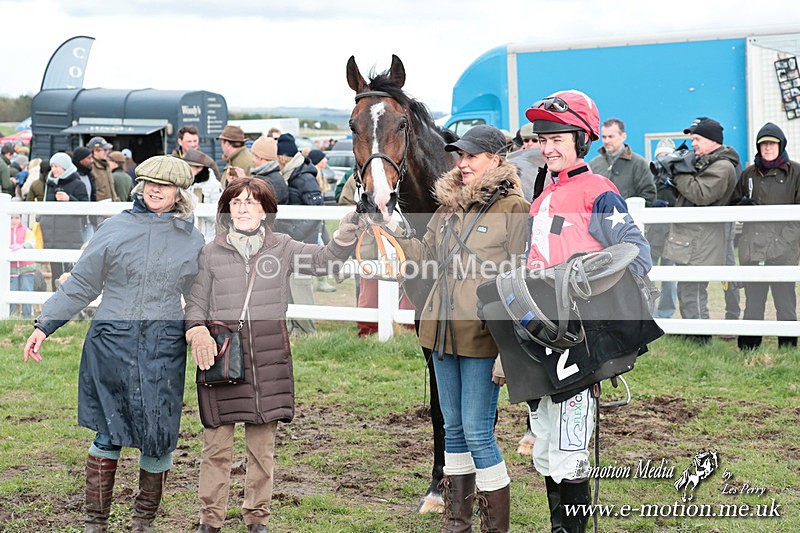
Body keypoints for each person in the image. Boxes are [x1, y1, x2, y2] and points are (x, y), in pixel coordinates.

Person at [22, 155, 205, 532]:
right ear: (139, 185)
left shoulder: (192, 239)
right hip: (112, 343)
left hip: (163, 347)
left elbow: (202, 294)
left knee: (158, 436)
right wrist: (45, 325)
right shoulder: (114, 229)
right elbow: (82, 284)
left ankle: (143, 523)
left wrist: (204, 328)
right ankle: (96, 523)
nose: (155, 190)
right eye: (150, 183)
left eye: (165, 185)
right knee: (108, 430)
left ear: (179, 192)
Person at [184, 177, 361, 533]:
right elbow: (197, 302)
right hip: (222, 358)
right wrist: (196, 329)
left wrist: (346, 232)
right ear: (227, 211)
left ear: (265, 211)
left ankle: (257, 518)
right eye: (237, 203)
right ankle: (210, 519)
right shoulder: (210, 252)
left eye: (251, 202)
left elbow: (325, 260)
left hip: (268, 361)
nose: (244, 209)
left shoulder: (283, 247)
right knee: (215, 447)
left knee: (261, 450)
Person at [524, 90, 654, 532]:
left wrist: (583, 277)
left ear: (582, 139)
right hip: (541, 337)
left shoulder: (600, 191)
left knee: (570, 449)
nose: (548, 148)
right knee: (544, 444)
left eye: (558, 137)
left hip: (581, 340)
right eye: (543, 139)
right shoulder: (540, 200)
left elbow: (635, 253)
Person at [391, 125, 529, 532]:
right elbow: (425, 255)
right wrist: (392, 236)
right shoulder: (447, 206)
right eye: (459, 156)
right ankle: (457, 522)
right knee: (452, 429)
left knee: (478, 432)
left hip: (484, 339)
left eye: (471, 156)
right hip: (439, 333)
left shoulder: (513, 209)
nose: (462, 163)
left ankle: (495, 527)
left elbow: (521, 280)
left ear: (496, 159)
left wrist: (511, 347)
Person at [662, 117, 738, 343]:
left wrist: (678, 173)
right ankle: (693, 334)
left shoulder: (722, 166)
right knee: (688, 289)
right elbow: (689, 194)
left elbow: (701, 194)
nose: (692, 144)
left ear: (712, 140)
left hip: (702, 239)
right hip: (693, 237)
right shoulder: (706, 162)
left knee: (693, 290)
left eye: (697, 139)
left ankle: (699, 338)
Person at [730, 122, 800, 350]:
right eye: (763, 144)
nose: (767, 148)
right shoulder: (749, 174)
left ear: (781, 145)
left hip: (784, 251)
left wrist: (782, 242)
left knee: (785, 303)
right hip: (753, 248)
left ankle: (788, 350)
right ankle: (748, 349)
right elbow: (733, 203)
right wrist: (740, 205)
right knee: (753, 303)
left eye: (772, 143)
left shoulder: (796, 173)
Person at [272, 133, 324, 335]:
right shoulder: (292, 174)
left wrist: (294, 235)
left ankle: (307, 330)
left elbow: (315, 212)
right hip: (293, 240)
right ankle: (295, 327)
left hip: (303, 242)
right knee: (290, 285)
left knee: (301, 285)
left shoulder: (304, 177)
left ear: (282, 157)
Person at [39, 152, 89, 283]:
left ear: (65, 167)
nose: (53, 170)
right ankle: (55, 299)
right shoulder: (49, 184)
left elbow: (86, 209)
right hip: (51, 234)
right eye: (52, 166)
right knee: (55, 272)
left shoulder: (78, 185)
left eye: (57, 166)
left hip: (69, 235)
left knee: (70, 270)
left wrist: (69, 199)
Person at [588, 118, 657, 206]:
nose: (606, 141)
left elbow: (649, 195)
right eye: (604, 137)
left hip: (630, 218)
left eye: (611, 136)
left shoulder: (638, 164)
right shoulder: (594, 164)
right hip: (599, 218)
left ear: (623, 136)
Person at [647, 139, 679, 319]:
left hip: (673, 236)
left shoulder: (679, 178)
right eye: (660, 157)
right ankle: (649, 313)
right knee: (648, 276)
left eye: (666, 157)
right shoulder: (651, 177)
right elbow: (644, 197)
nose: (663, 161)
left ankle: (666, 314)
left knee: (669, 280)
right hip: (652, 235)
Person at [185, 149, 224, 243]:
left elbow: (219, 215)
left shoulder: (214, 186)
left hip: (208, 237)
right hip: (190, 235)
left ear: (199, 168)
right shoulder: (189, 183)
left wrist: (200, 210)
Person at [9, 213, 37, 317]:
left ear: (20, 218)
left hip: (26, 267)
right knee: (11, 293)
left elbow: (32, 242)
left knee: (27, 291)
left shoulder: (26, 231)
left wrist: (22, 246)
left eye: (16, 218)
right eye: (11, 218)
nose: (14, 220)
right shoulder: (4, 231)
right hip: (11, 269)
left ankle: (26, 317)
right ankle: (11, 317)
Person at [247, 136, 288, 204]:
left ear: (260, 157)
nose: (252, 159)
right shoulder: (275, 176)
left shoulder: (266, 182)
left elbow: (254, 205)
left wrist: (243, 184)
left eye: (253, 155)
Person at [88, 136, 119, 202]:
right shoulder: (90, 166)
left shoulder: (106, 164)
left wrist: (116, 200)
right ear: (95, 151)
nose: (107, 152)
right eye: (104, 150)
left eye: (108, 150)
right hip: (99, 205)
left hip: (111, 203)